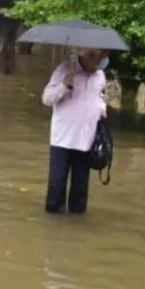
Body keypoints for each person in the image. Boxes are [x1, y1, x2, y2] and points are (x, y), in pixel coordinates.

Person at [41, 49, 109, 214]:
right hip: (62, 139)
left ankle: (76, 226)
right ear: (86, 56)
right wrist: (64, 85)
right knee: (56, 187)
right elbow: (46, 99)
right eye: (97, 60)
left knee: (80, 192)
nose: (99, 66)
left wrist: (102, 108)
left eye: (102, 60)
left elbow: (99, 97)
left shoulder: (100, 76)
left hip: (86, 140)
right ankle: (53, 225)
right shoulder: (64, 69)